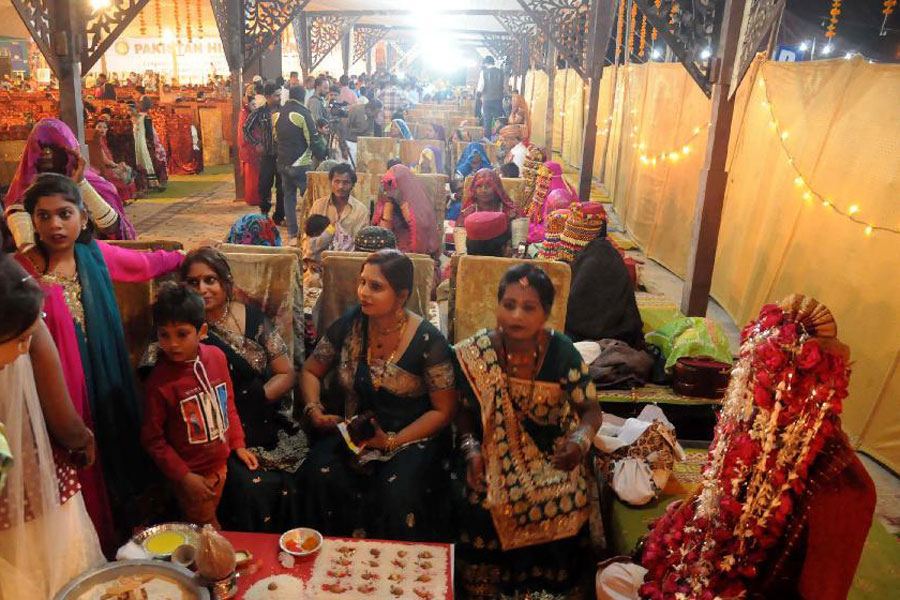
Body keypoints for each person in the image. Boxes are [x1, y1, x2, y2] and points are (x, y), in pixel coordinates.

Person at [14, 173, 185, 550]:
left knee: (115, 451)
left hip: (105, 381)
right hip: (56, 393)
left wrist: (185, 257)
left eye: (64, 213)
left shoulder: (93, 256)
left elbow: (144, 265)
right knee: (78, 461)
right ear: (33, 221)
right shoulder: (22, 272)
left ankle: (124, 534)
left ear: (82, 217)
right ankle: (89, 542)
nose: (55, 225)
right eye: (43, 216)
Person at [453, 263, 602, 598]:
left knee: (568, 496)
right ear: (497, 307)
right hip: (490, 449)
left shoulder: (562, 352)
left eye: (528, 307)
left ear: (545, 312)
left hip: (552, 454)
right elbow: (462, 411)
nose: (516, 315)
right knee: (482, 499)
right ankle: (485, 586)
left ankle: (544, 587)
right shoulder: (477, 353)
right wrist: (471, 448)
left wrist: (579, 442)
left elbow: (590, 411)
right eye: (508, 305)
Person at [301, 250, 457, 540]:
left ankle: (392, 578)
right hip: (355, 433)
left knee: (397, 494)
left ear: (401, 295)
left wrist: (390, 441)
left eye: (376, 286)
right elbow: (311, 370)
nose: (363, 293)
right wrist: (314, 408)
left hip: (409, 438)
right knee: (319, 475)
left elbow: (443, 411)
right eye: (362, 282)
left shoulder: (427, 341)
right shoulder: (351, 323)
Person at [173, 249, 308, 532]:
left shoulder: (252, 319)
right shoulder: (177, 329)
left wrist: (252, 401)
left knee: (296, 480)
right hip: (206, 435)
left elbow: (286, 373)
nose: (202, 289)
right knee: (250, 487)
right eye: (193, 282)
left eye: (210, 280)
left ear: (226, 283)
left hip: (258, 422)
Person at [0, 248, 105, 598]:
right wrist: (80, 438)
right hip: (35, 477)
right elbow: (61, 412)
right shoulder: (17, 298)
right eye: (19, 342)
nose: (21, 352)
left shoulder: (17, 291)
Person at [140, 283, 253, 530]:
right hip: (191, 475)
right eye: (164, 335)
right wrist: (184, 476)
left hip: (220, 465)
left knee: (212, 522)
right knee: (207, 529)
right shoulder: (160, 382)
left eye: (182, 334)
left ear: (201, 331)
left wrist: (238, 444)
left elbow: (228, 403)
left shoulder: (217, 358)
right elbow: (153, 440)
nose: (172, 344)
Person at [3, 118, 134, 250]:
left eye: (55, 149)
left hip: (91, 258)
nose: (47, 155)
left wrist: (81, 184)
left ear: (71, 152)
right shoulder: (21, 193)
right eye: (41, 148)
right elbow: (25, 250)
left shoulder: (96, 185)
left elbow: (113, 229)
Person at [274, 85, 319, 244]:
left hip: (282, 162)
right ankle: (311, 234)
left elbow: (275, 137)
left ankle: (292, 235)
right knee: (309, 199)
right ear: (303, 97)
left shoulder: (277, 114)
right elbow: (312, 139)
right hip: (302, 163)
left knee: (288, 198)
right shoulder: (303, 113)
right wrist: (321, 153)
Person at [372, 165, 441, 258]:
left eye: (392, 184)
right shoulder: (387, 202)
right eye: (387, 185)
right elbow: (380, 241)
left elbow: (419, 247)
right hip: (389, 258)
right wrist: (388, 203)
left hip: (417, 259)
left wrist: (402, 203)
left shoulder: (420, 206)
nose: (389, 189)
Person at [244, 83, 284, 225]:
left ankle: (279, 217)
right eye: (276, 95)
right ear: (267, 97)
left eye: (280, 95)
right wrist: (256, 143)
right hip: (266, 155)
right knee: (265, 185)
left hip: (282, 156)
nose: (279, 98)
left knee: (282, 187)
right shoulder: (259, 112)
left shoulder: (284, 112)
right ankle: (264, 214)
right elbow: (246, 129)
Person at [308, 162, 369, 243]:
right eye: (337, 181)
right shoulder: (318, 205)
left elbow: (361, 240)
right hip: (321, 253)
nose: (340, 186)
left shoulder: (361, 210)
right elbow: (309, 236)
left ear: (352, 185)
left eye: (346, 182)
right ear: (330, 183)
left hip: (349, 255)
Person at [527, 161, 577, 243]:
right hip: (570, 228)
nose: (540, 177)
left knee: (529, 230)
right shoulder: (569, 187)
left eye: (543, 174)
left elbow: (543, 216)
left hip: (553, 227)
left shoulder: (548, 189)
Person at [92, 119, 137, 205]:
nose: (102, 129)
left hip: (105, 167)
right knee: (126, 171)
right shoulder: (97, 142)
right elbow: (105, 161)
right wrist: (117, 165)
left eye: (104, 127)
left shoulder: (101, 141)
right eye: (99, 127)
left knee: (125, 168)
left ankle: (122, 199)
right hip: (104, 169)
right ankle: (122, 199)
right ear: (94, 128)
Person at [133, 96, 168, 190]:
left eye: (139, 102)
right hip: (140, 142)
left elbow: (149, 133)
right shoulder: (139, 117)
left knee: (146, 160)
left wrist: (151, 143)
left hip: (144, 142)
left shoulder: (144, 117)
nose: (137, 104)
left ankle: (149, 183)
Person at [344, 99, 381, 165]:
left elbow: (370, 132)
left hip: (361, 143)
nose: (377, 115)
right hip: (349, 141)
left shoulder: (372, 116)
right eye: (376, 113)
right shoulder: (355, 110)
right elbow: (345, 127)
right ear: (369, 109)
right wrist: (344, 146)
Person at [302, 214, 332, 288]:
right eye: (325, 230)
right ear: (317, 232)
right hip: (314, 271)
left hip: (321, 270)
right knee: (314, 282)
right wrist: (331, 228)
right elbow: (324, 239)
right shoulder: (313, 242)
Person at [476, 56, 505, 133]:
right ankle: (499, 139)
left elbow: (480, 87)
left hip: (487, 100)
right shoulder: (501, 72)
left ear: (485, 63)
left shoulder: (483, 72)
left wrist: (478, 97)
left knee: (487, 121)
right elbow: (504, 86)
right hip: (498, 100)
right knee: (498, 121)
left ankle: (488, 140)